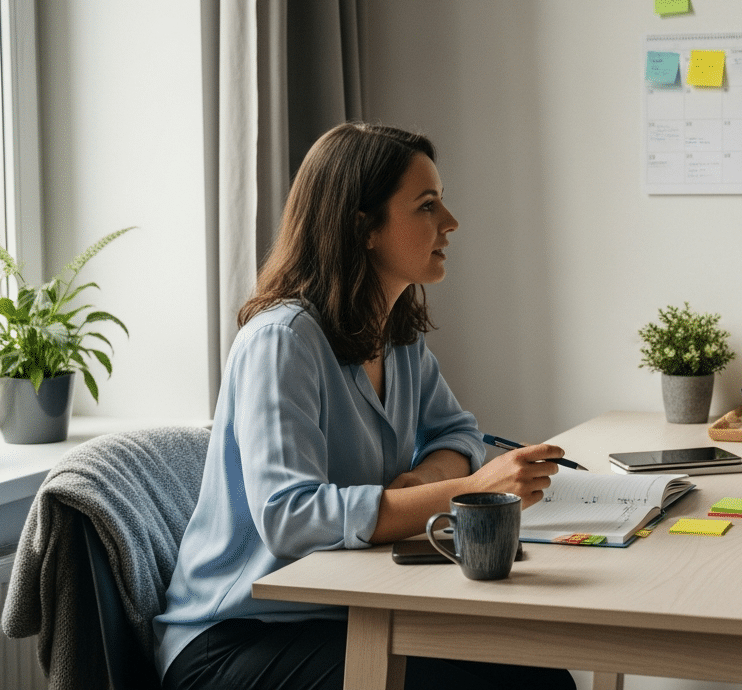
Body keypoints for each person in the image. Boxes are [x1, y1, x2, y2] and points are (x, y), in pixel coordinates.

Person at [155, 122, 576, 690]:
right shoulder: (282, 341)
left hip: (343, 611)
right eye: (428, 205)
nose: (450, 222)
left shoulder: (397, 336)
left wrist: (417, 483)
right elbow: (291, 517)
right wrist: (470, 492)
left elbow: (458, 432)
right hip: (235, 638)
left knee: (539, 673)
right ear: (364, 228)